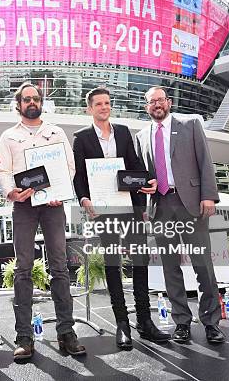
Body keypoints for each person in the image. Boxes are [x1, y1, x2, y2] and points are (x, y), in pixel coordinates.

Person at [72, 87, 170, 349]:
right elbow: (79, 176)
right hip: (104, 210)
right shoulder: (80, 138)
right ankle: (122, 325)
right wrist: (83, 199)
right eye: (99, 104)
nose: (104, 107)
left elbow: (135, 164)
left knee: (140, 262)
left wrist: (147, 180)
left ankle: (145, 322)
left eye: (107, 103)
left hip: (132, 207)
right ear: (89, 109)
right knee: (113, 264)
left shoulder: (124, 132)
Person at [0, 82, 86, 361]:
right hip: (24, 207)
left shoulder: (56, 131)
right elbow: (3, 169)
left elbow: (69, 167)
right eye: (26, 99)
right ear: (18, 104)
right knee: (23, 268)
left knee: (59, 267)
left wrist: (60, 192)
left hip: (52, 206)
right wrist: (11, 191)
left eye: (35, 98)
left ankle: (66, 332)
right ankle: (24, 336)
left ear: (41, 102)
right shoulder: (9, 135)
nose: (31, 102)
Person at [135, 86, 225, 344]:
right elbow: (142, 173)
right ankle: (182, 322)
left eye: (160, 100)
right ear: (147, 107)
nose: (157, 105)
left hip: (191, 203)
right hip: (160, 206)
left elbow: (205, 161)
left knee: (203, 266)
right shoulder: (141, 135)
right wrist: (143, 197)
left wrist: (209, 195)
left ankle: (211, 323)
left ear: (169, 102)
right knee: (170, 267)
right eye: (151, 102)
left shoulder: (191, 125)